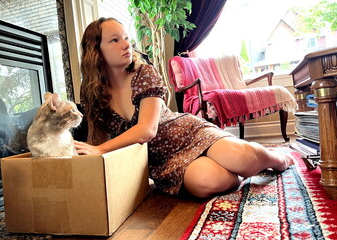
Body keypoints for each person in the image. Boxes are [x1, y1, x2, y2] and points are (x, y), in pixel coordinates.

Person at [74, 17, 293, 198]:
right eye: (114, 40)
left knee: (241, 158)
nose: (126, 44)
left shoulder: (144, 74)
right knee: (207, 182)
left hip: (187, 133)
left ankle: (276, 159)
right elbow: (97, 138)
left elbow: (146, 130)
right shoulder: (92, 93)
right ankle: (243, 170)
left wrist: (101, 149)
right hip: (164, 160)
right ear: (96, 51)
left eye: (126, 38)